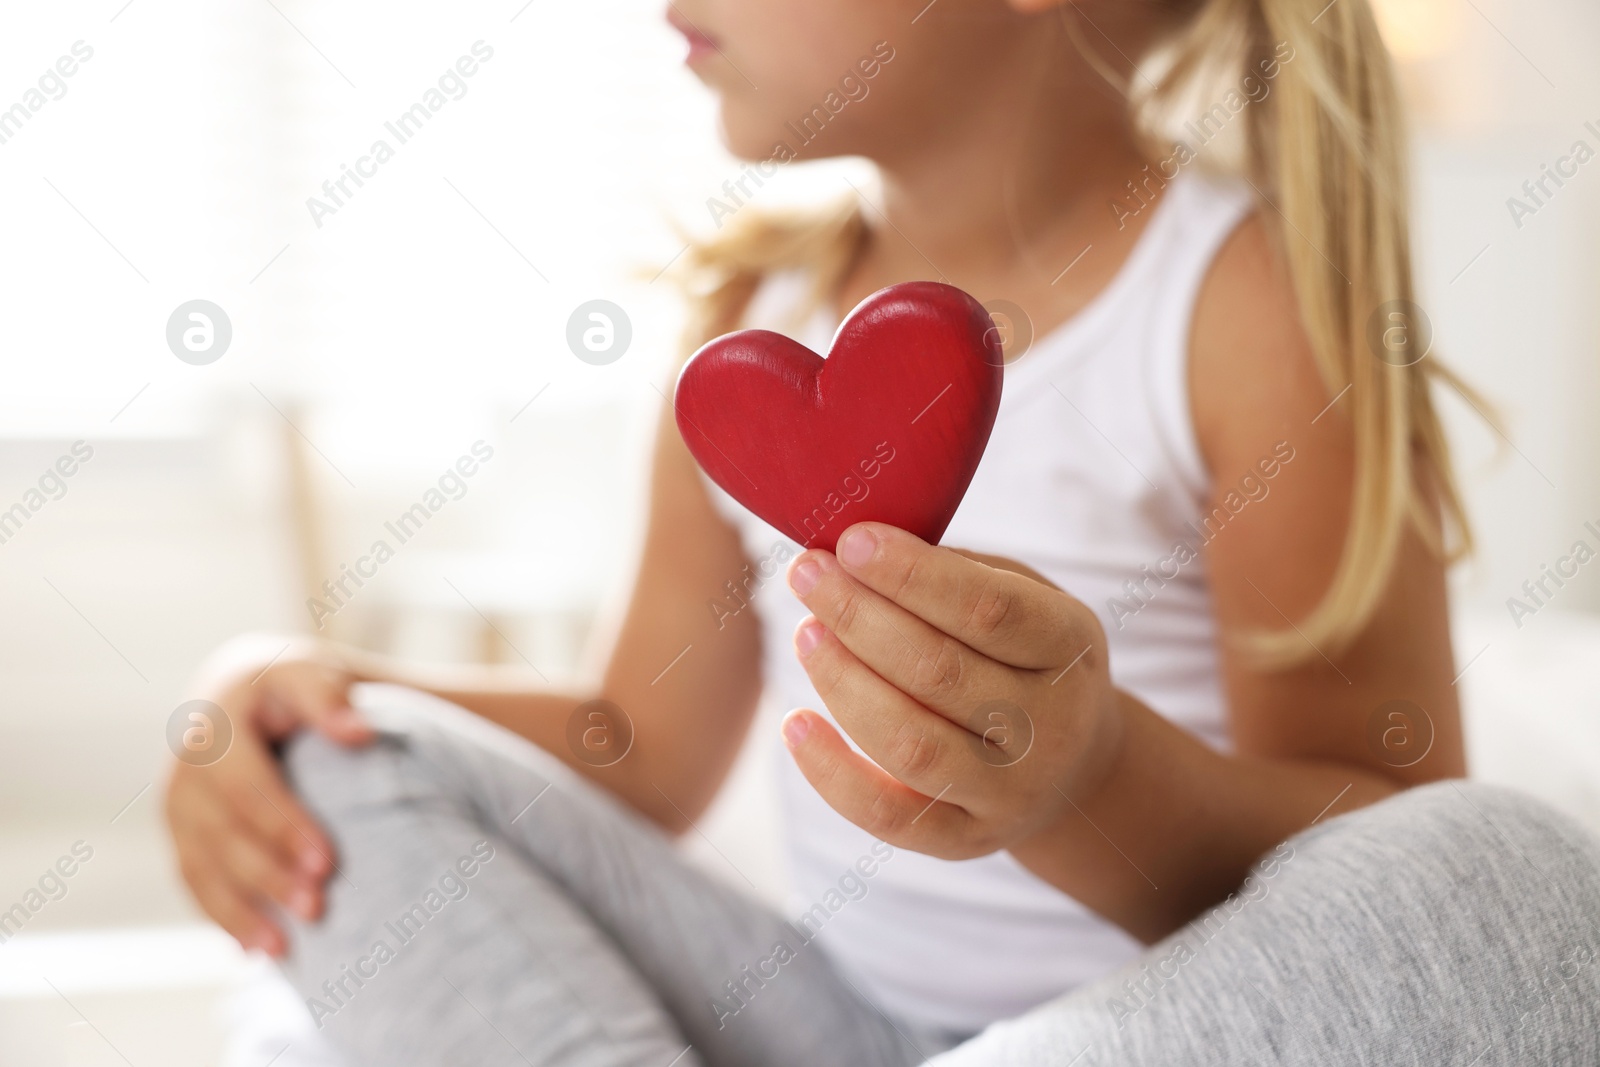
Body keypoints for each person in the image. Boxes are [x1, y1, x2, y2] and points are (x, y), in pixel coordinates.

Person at [166, 0, 1600, 1064]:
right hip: (835, 1027)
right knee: (337, 771)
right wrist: (300, 685)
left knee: (1495, 870)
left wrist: (1085, 777)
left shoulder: (1243, 310)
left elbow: (1379, 831)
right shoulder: (741, 335)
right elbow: (638, 749)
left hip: (1152, 1027)